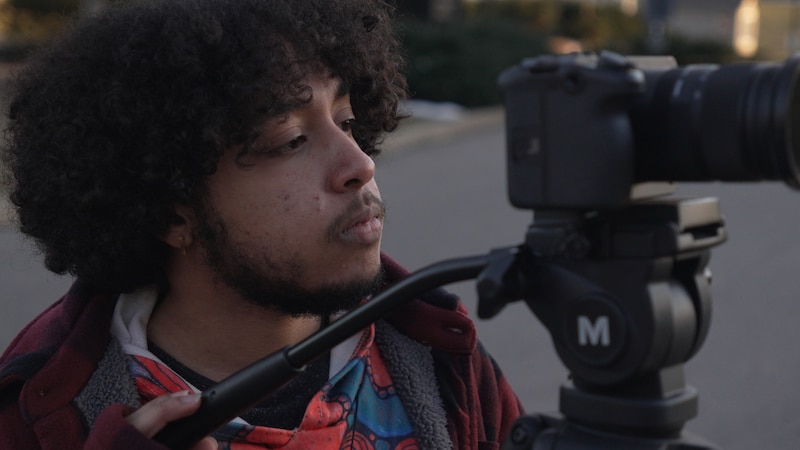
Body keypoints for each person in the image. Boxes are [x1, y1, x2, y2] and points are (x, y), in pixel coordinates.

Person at [0, 0, 523, 448]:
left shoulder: (442, 358)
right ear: (171, 214)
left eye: (345, 121)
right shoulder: (35, 407)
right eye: (290, 140)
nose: (360, 163)